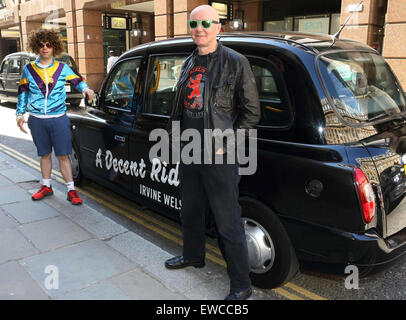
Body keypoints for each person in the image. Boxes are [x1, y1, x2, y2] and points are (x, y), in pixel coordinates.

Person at [164, 5, 260, 300]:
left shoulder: (235, 62)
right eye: (194, 23)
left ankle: (242, 284)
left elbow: (252, 113)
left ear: (219, 27)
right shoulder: (188, 62)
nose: (200, 28)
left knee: (227, 219)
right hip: (190, 149)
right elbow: (181, 108)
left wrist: (226, 143)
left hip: (219, 154)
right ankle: (193, 256)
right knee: (190, 210)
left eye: (206, 22)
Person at [16, 29, 95, 205]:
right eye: (41, 44)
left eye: (48, 44)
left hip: (58, 118)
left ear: (54, 47)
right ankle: (46, 186)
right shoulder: (28, 69)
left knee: (63, 155)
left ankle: (71, 190)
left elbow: (78, 81)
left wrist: (86, 89)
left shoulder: (62, 68)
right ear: (36, 47)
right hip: (36, 119)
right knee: (44, 155)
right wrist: (20, 114)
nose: (45, 48)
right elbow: (22, 93)